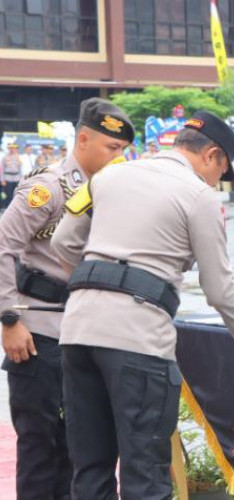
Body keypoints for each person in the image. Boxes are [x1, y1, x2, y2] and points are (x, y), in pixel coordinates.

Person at [51, 110, 234, 499]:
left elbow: (63, 244)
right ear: (211, 155)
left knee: (90, 469)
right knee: (145, 472)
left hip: (78, 332)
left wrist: (101, 287)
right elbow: (219, 287)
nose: (218, 180)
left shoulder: (109, 175)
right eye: (222, 169)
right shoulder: (198, 196)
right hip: (137, 340)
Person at [0, 98, 134, 500]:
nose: (118, 157)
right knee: (41, 445)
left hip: (81, 330)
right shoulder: (48, 188)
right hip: (36, 330)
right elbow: (3, 246)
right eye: (112, 148)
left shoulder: (107, 189)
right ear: (84, 138)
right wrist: (8, 318)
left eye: (123, 150)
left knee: (78, 445)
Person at [0, 143, 22, 209]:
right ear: (9, 149)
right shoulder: (5, 157)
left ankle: (14, 208)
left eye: (14, 148)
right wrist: (2, 179)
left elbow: (20, 169)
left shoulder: (19, 157)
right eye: (11, 148)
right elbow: (2, 169)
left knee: (15, 194)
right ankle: (7, 207)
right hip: (7, 178)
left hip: (16, 178)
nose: (13, 149)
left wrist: (21, 179)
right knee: (8, 194)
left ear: (16, 149)